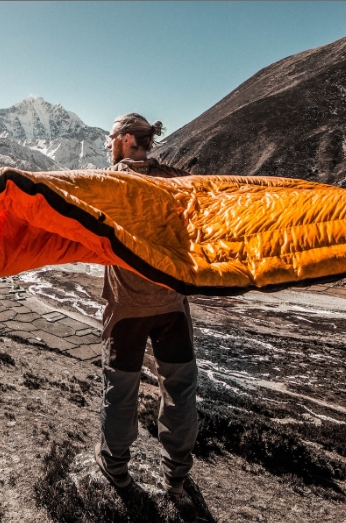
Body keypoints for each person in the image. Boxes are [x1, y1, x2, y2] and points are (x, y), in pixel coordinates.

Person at [94, 113, 198, 498]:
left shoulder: (107, 184)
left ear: (123, 140)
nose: (108, 145)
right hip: (171, 305)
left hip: (126, 310)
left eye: (110, 139)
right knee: (181, 388)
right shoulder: (176, 182)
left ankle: (116, 468)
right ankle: (176, 475)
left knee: (121, 390)